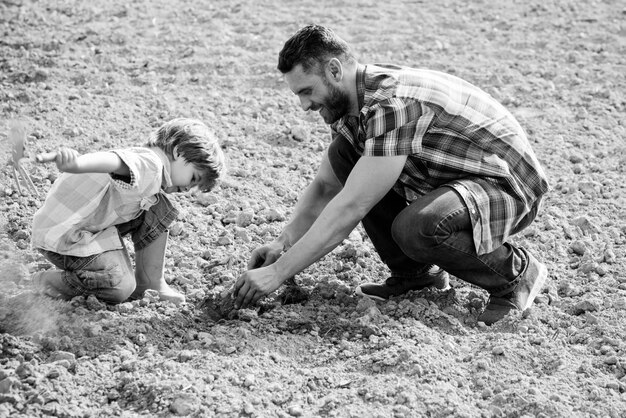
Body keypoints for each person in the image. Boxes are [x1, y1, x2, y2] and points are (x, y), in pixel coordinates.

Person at [234, 25, 549, 325]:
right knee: (344, 154)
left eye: (307, 91)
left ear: (333, 70)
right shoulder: (350, 105)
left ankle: (515, 275)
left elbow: (352, 206)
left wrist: (278, 274)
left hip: (504, 182)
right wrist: (282, 243)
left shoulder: (389, 103)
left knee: (418, 227)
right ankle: (417, 278)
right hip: (454, 181)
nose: (304, 105)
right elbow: (327, 186)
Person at [31, 118, 225, 305]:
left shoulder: (149, 165)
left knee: (158, 207)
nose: (187, 190)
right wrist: (77, 164)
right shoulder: (152, 165)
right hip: (66, 239)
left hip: (75, 227)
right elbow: (113, 160)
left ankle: (150, 283)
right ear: (178, 151)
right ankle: (45, 282)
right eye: (193, 178)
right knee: (120, 286)